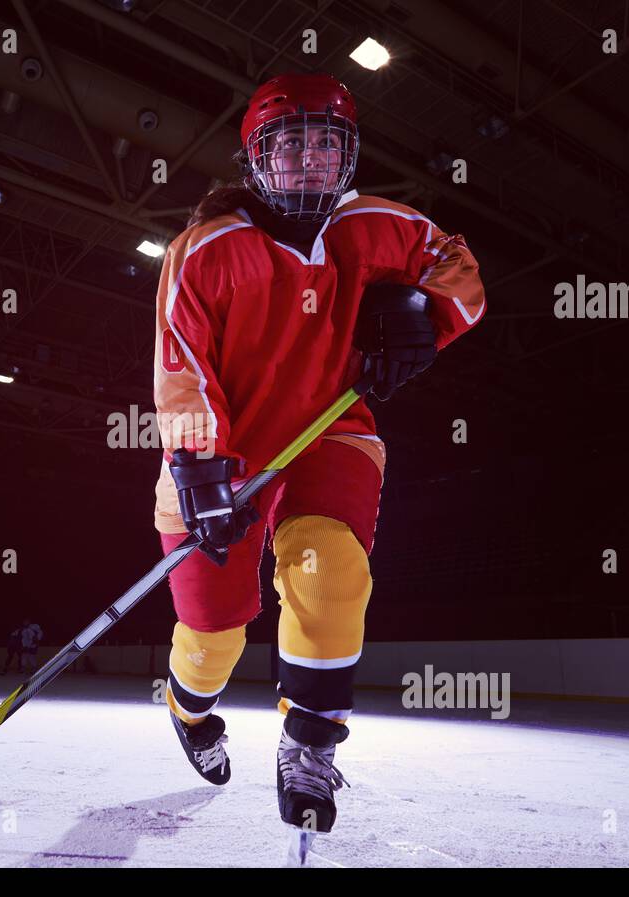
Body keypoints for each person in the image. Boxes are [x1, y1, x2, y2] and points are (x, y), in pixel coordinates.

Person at [153, 73, 486, 840]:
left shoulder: (375, 224)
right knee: (213, 636)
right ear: (257, 158)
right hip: (224, 453)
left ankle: (309, 742)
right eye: (291, 143)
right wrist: (200, 466)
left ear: (349, 155)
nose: (310, 159)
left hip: (330, 429)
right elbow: (182, 366)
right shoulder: (204, 251)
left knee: (332, 566)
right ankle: (188, 708)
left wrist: (419, 314)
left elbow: (459, 270)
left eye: (327, 142)